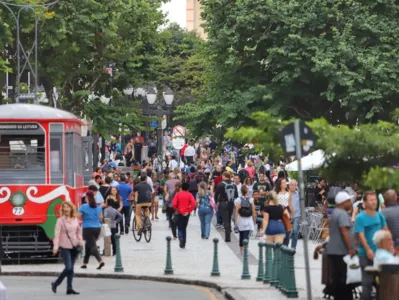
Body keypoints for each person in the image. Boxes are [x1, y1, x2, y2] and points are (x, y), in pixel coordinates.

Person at [355, 191, 388, 300]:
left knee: (381, 282)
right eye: (371, 200)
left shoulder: (380, 215)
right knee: (367, 282)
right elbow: (361, 235)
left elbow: (385, 232)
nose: (374, 202)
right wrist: (368, 250)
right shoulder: (360, 217)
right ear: (364, 202)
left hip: (379, 254)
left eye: (375, 200)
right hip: (365, 254)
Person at [326, 191, 355, 300]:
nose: (350, 203)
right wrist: (350, 248)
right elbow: (344, 231)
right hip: (340, 252)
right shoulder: (342, 213)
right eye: (349, 201)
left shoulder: (335, 212)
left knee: (337, 279)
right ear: (344, 202)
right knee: (343, 280)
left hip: (334, 251)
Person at [52, 202, 82, 295]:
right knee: (68, 267)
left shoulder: (75, 219)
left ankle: (69, 288)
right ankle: (56, 283)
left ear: (71, 208)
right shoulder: (60, 220)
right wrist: (55, 246)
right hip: (65, 246)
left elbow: (78, 232)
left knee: (71, 269)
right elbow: (56, 235)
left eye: (67, 207)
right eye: (64, 207)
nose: (66, 209)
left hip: (74, 245)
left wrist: (80, 240)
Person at [78, 191, 104, 270]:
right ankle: (85, 263)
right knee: (88, 245)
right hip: (97, 228)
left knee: (92, 246)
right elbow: (101, 218)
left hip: (87, 228)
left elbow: (78, 216)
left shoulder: (83, 206)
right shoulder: (98, 207)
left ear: (87, 198)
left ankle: (100, 261)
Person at [215, 172, 239, 242]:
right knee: (228, 219)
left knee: (225, 220)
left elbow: (216, 194)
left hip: (223, 203)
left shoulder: (221, 184)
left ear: (224, 176)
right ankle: (229, 231)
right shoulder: (234, 185)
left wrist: (216, 201)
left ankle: (227, 237)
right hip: (231, 204)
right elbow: (236, 196)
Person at [172, 182, 196, 248]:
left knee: (180, 227)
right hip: (186, 213)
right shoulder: (189, 194)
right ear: (188, 188)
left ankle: (180, 237)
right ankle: (184, 242)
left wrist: (176, 209)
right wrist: (189, 210)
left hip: (179, 212)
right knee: (184, 228)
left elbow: (174, 204)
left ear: (181, 187)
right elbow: (193, 203)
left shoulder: (178, 194)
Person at [235, 185, 256, 254]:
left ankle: (241, 249)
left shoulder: (238, 200)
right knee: (246, 234)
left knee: (241, 234)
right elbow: (253, 210)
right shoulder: (250, 199)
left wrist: (236, 220)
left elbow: (237, 210)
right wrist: (254, 219)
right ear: (247, 191)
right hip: (248, 219)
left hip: (241, 218)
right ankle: (246, 249)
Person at [275, 178, 293, 246]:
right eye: (283, 183)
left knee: (287, 231)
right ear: (280, 185)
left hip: (287, 212)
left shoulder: (289, 193)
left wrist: (292, 215)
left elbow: (290, 205)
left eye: (285, 182)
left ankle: (286, 246)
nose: (285, 184)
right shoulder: (277, 194)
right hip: (279, 213)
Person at [164, 173, 181, 239]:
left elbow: (165, 191)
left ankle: (174, 235)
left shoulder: (167, 183)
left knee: (171, 218)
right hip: (178, 207)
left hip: (170, 206)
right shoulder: (179, 191)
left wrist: (166, 194)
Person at [289, 180, 301, 249]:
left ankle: (293, 247)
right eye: (292, 185)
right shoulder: (286, 194)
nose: (293, 186)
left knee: (295, 231)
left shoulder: (298, 194)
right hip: (288, 215)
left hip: (296, 215)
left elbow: (300, 204)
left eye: (295, 185)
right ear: (289, 185)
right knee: (287, 232)